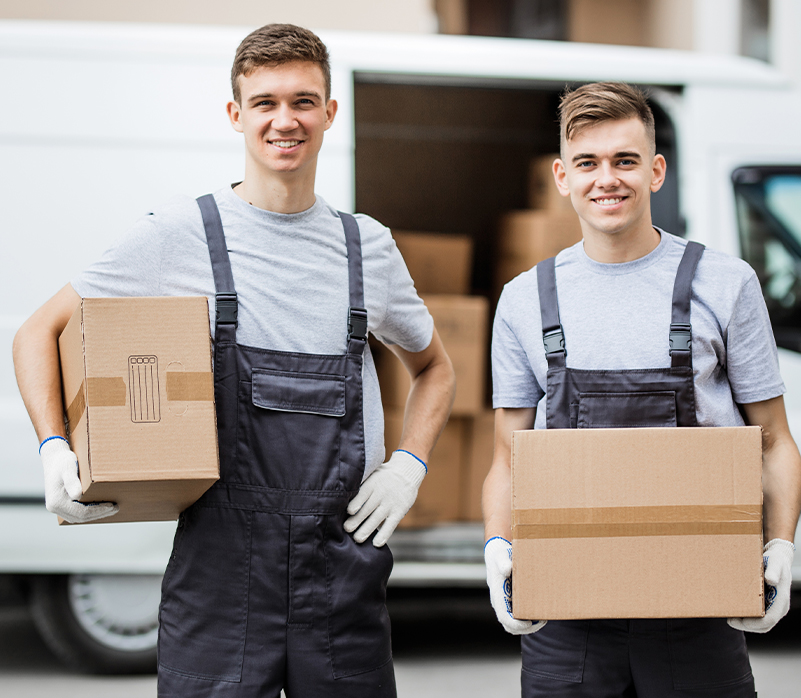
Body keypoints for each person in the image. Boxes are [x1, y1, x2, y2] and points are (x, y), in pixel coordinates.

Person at [13, 23, 455, 697]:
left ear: (330, 113)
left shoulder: (366, 247)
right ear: (236, 115)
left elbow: (435, 368)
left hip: (339, 575)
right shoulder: (180, 235)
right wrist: (53, 448)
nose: (286, 120)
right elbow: (36, 332)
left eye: (304, 101)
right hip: (219, 579)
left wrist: (409, 463)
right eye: (265, 102)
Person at [483, 81, 801, 697]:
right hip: (565, 615)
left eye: (625, 160)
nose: (608, 179)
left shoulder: (727, 284)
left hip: (701, 609)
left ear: (656, 171)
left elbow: (775, 442)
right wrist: (499, 547)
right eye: (588, 163)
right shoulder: (525, 298)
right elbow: (506, 454)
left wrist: (781, 547)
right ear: (562, 177)